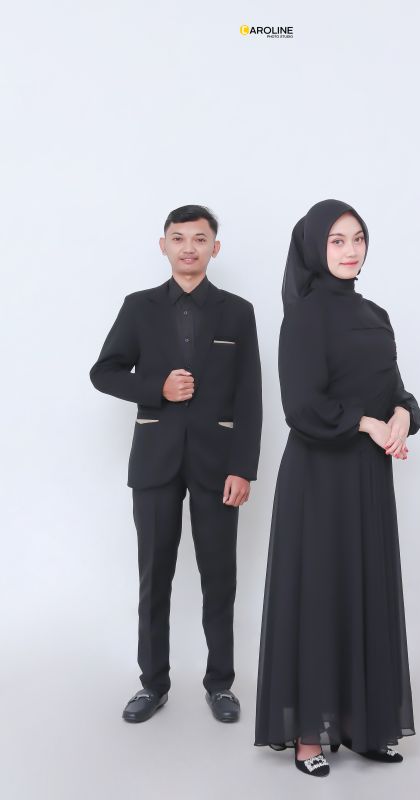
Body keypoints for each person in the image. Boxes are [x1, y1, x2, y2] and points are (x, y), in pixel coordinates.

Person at [254, 199, 420, 777]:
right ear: (313, 248)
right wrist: (367, 424)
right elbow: (302, 406)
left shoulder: (376, 314)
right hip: (319, 479)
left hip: (368, 478)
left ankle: (363, 726)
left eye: (358, 238)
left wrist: (402, 415)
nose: (351, 251)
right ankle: (309, 735)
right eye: (337, 240)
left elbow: (396, 388)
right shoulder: (304, 317)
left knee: (365, 588)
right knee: (321, 592)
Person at [90, 205, 262, 724]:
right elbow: (104, 372)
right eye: (179, 237)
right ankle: (153, 684)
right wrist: (156, 388)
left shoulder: (238, 312)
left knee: (220, 578)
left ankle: (221, 685)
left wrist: (243, 467)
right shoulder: (138, 307)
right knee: (154, 578)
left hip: (218, 466)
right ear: (163, 245)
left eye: (200, 238)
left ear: (215, 248)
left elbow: (251, 395)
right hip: (155, 462)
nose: (189, 247)